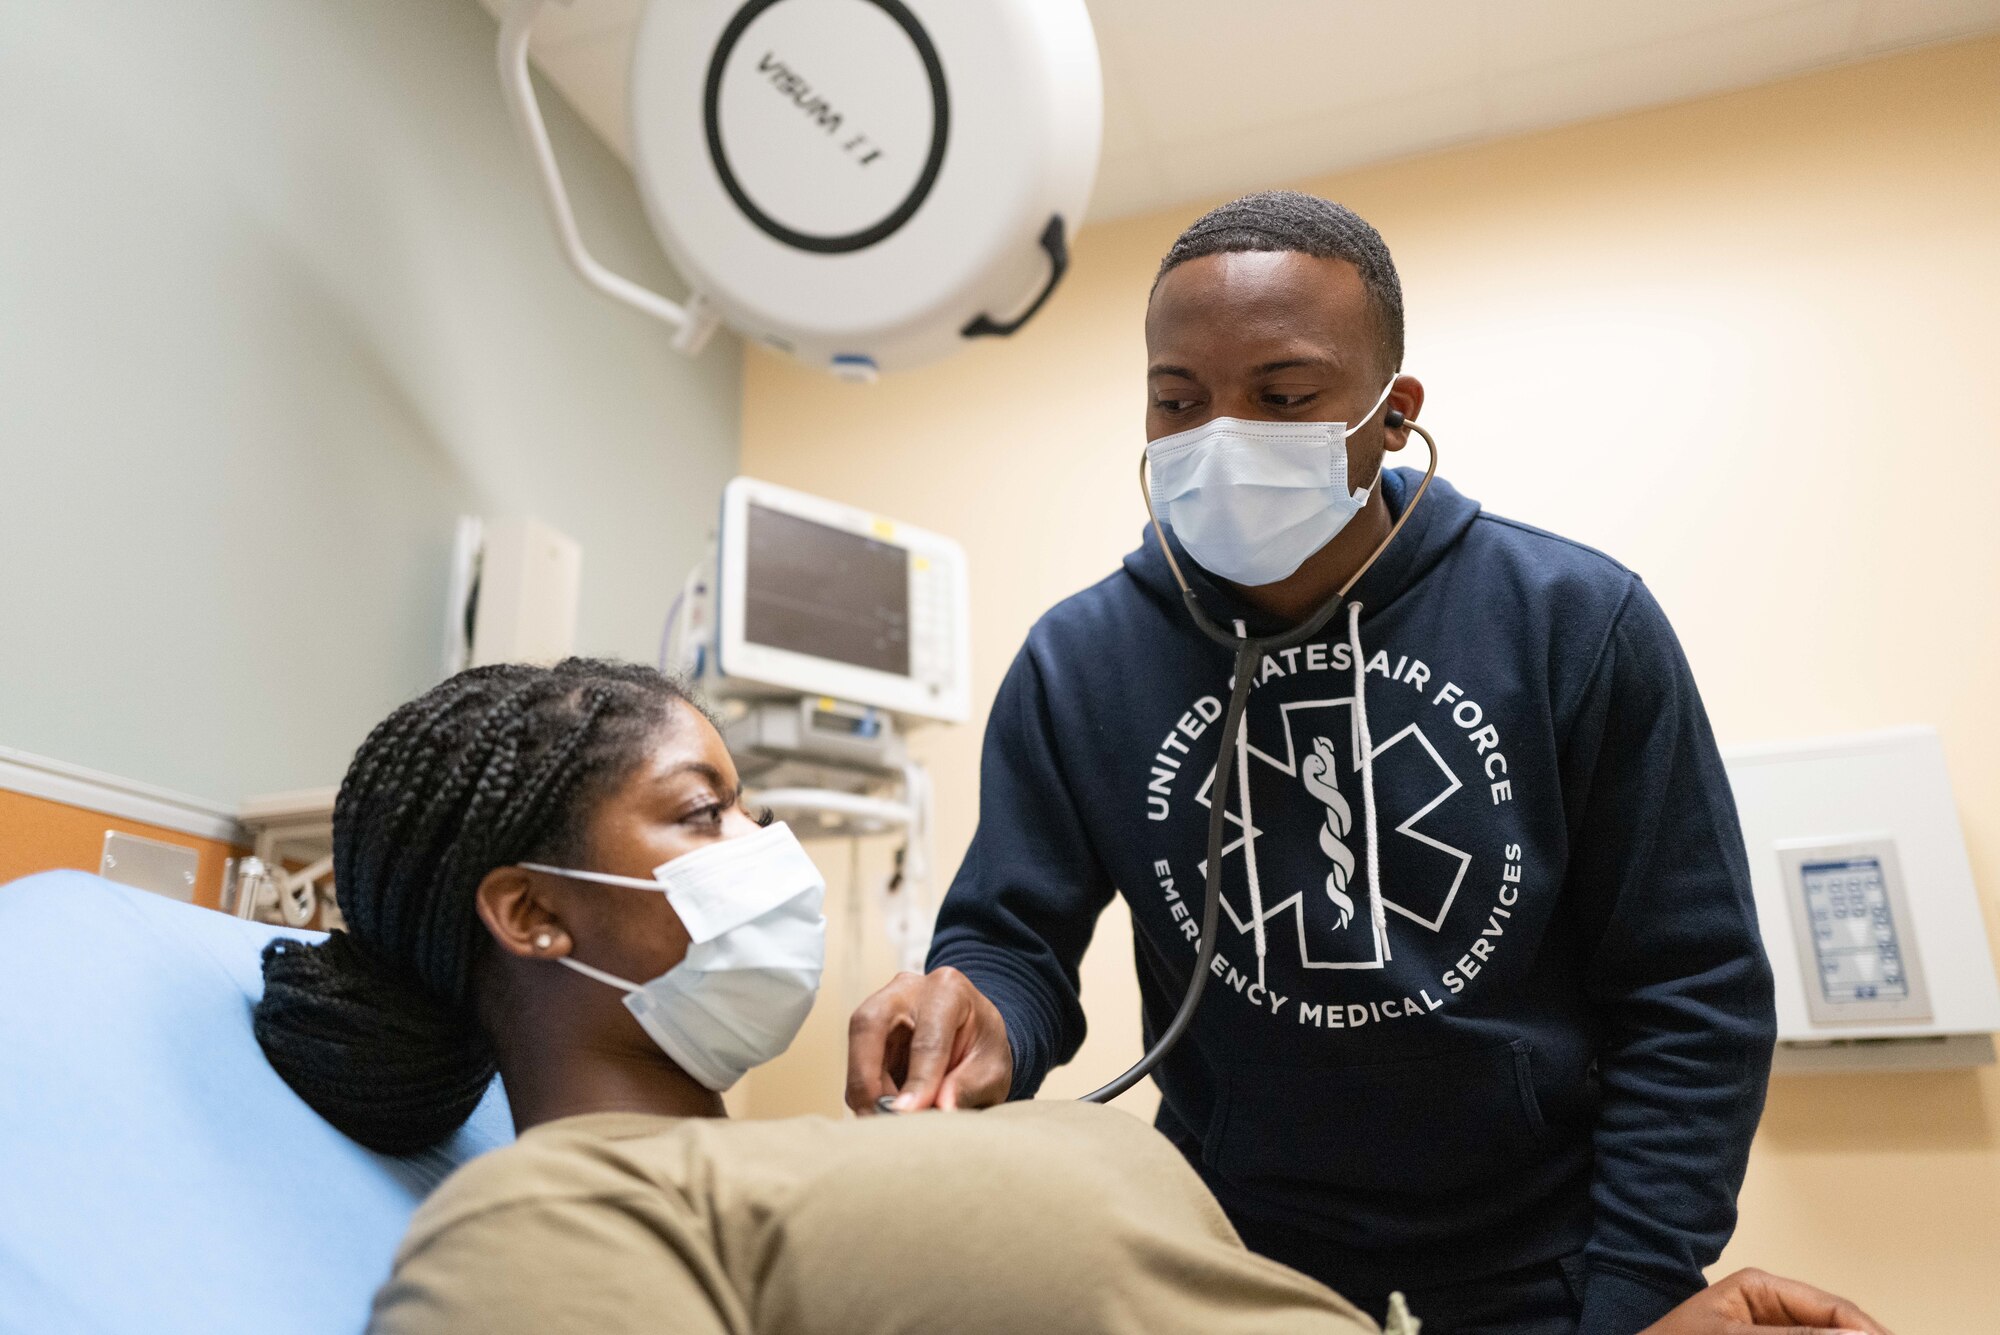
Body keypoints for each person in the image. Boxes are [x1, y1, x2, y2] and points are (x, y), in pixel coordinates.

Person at [252, 660, 1884, 1335]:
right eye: (704, 813)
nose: (767, 851)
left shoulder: (830, 1161)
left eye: (756, 808)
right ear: (535, 913)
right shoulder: (555, 1208)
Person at [847, 192, 1780, 1335]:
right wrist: (982, 1014)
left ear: (1395, 415)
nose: (1220, 437)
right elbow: (1010, 940)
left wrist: (1631, 1300)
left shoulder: (1573, 622)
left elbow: (1692, 996)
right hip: (1222, 1265)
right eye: (1175, 401)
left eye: (1282, 398)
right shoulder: (1078, 662)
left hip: (1546, 1271)